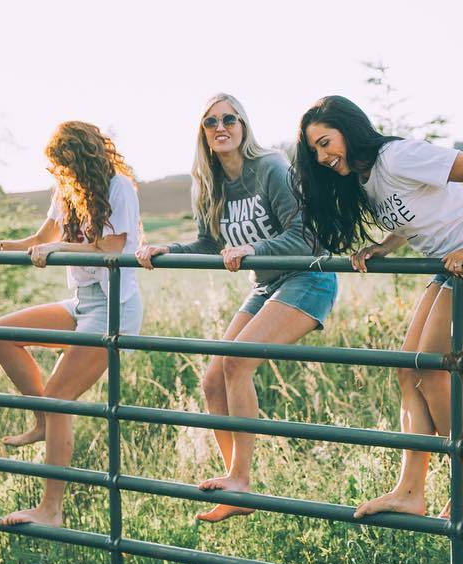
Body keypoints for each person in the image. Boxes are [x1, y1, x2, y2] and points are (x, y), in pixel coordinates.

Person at [294, 95, 463, 519]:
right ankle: (410, 492)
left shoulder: (397, 157)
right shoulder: (365, 178)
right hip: (452, 265)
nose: (322, 157)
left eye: (325, 143)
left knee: (433, 370)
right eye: (315, 151)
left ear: (349, 130)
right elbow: (416, 212)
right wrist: (385, 245)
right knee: (408, 370)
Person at [135, 93, 336, 522]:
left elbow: (305, 236)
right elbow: (211, 244)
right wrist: (169, 249)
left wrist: (253, 249)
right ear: (203, 133)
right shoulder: (209, 184)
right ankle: (233, 485)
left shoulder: (270, 168)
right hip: (267, 284)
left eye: (230, 119)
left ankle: (241, 481)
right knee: (213, 381)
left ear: (243, 126)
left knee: (237, 364)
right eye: (211, 122)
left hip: (308, 277)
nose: (221, 127)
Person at [0, 120, 144, 527]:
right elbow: (39, 239)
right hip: (81, 301)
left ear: (83, 157)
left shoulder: (118, 186)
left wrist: (60, 247)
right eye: (57, 167)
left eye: (65, 164)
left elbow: (110, 248)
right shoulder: (67, 191)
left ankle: (51, 509)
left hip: (113, 306)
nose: (61, 173)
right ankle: (42, 420)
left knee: (59, 396)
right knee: (1, 333)